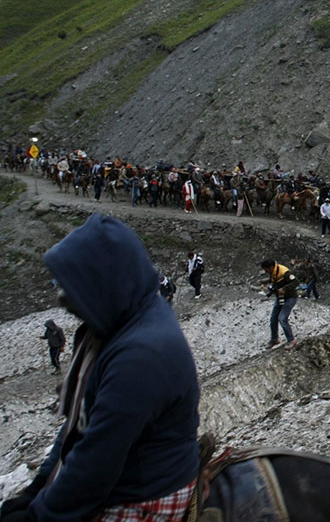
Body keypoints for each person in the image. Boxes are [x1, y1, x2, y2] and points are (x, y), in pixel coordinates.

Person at [0, 214, 199, 522]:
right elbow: (75, 429)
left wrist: (38, 516)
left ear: (104, 281)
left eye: (74, 286)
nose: (63, 297)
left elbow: (96, 464)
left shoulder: (141, 357)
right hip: (119, 479)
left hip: (144, 493)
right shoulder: (113, 324)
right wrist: (38, 488)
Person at [261, 259, 298, 349]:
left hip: (290, 297)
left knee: (282, 318)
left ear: (271, 267)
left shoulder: (284, 272)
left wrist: (284, 289)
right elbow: (275, 284)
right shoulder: (273, 273)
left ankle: (291, 340)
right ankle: (274, 339)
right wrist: (269, 293)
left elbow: (296, 282)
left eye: (266, 269)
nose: (265, 271)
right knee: (273, 319)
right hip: (280, 298)